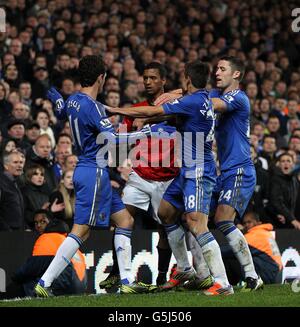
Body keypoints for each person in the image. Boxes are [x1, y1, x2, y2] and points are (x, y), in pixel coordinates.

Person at [34, 55, 163, 297]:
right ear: (100, 78)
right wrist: (144, 134)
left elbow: (61, 111)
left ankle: (125, 279)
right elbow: (112, 142)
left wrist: (55, 96)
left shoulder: (73, 100)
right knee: (81, 230)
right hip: (93, 170)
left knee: (125, 220)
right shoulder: (92, 106)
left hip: (92, 171)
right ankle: (45, 281)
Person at [107, 60, 234, 295]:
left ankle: (222, 282)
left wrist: (116, 110)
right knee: (166, 212)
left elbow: (155, 110)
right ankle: (185, 268)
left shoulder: (191, 101)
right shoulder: (204, 98)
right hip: (185, 170)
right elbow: (168, 115)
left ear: (187, 79)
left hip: (198, 170)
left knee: (197, 224)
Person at [100, 62, 178, 289]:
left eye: (153, 78)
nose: (148, 82)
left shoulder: (177, 108)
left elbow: (190, 96)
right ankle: (116, 272)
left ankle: (162, 277)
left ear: (163, 80)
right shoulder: (134, 111)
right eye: (145, 78)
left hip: (168, 179)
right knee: (122, 218)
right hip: (140, 176)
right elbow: (120, 144)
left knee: (166, 230)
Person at [209, 56, 264, 291]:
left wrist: (184, 100)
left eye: (222, 69)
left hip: (240, 169)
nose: (217, 73)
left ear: (236, 74)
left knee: (223, 219)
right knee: (194, 218)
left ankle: (252, 276)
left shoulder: (237, 98)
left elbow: (209, 104)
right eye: (215, 69)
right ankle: (200, 273)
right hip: (226, 172)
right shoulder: (219, 96)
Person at [12, 209, 87, 297]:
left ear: (50, 223)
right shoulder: (69, 242)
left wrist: (15, 277)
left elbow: (32, 268)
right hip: (81, 288)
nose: (38, 225)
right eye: (36, 223)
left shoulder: (47, 238)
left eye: (43, 221)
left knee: (29, 280)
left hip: (65, 286)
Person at [222, 211, 282, 285]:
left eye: (249, 222)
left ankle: (226, 284)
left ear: (258, 223)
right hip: (276, 271)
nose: (246, 225)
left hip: (268, 273)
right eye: (244, 223)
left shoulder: (255, 235)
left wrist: (215, 250)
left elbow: (230, 250)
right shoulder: (265, 232)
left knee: (231, 258)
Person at [0, 150, 25, 231]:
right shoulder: (1, 182)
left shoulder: (16, 183)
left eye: (21, 162)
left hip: (16, 233)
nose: (19, 165)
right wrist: (8, 231)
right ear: (6, 166)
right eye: (15, 162)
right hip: (6, 236)